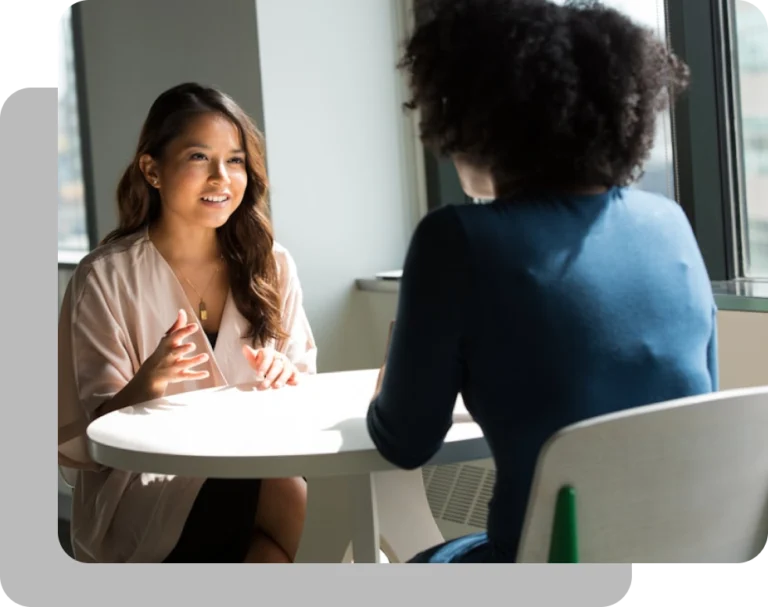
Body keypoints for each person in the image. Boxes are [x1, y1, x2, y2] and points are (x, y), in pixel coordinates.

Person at [366, 0, 718, 563]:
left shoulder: (455, 239)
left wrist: (391, 386)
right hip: (686, 553)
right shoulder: (670, 225)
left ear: (478, 119)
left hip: (546, 568)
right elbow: (695, 407)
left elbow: (404, 442)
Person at [58, 82, 317, 563]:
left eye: (235, 160)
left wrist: (287, 376)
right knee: (287, 500)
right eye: (200, 157)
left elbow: (305, 390)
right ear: (152, 170)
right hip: (145, 492)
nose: (222, 177)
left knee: (275, 536)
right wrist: (145, 385)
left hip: (256, 467)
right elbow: (88, 440)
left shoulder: (272, 265)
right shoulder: (105, 278)